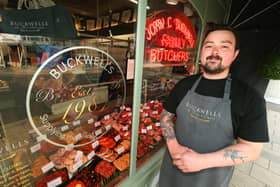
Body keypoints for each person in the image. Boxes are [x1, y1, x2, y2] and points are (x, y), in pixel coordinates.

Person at [159, 24, 269, 187]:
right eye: (209, 46)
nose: (214, 52)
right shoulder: (184, 85)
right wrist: (174, 147)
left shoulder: (249, 97)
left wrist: (203, 161)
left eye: (224, 46)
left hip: (211, 180)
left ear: (235, 54)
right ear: (202, 51)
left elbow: (252, 149)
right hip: (172, 171)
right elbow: (165, 116)